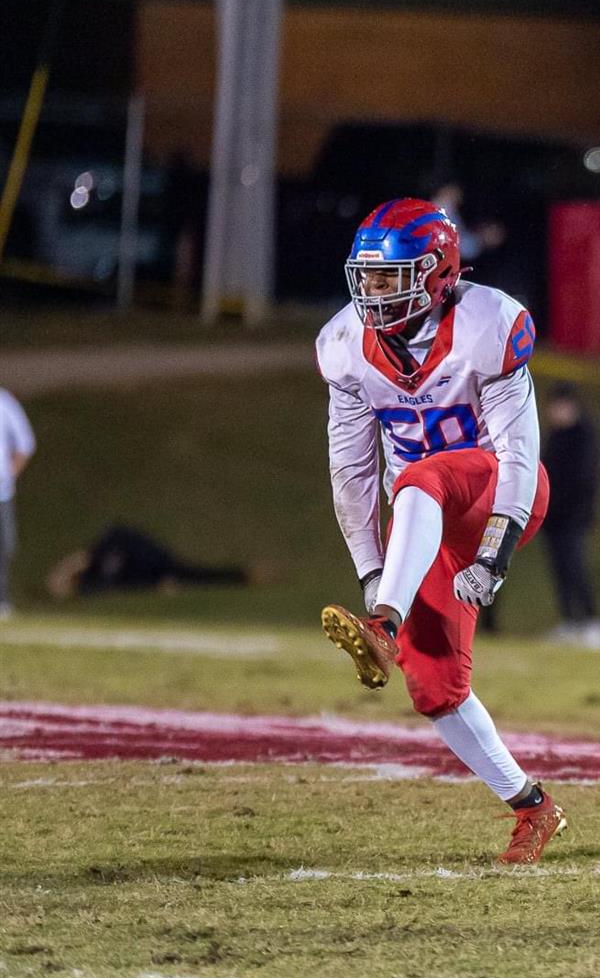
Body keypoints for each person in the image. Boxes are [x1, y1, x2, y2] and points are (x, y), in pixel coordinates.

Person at [315, 197, 566, 866]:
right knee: (433, 686)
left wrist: (495, 553)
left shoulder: (491, 322)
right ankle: (533, 806)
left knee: (420, 476)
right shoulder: (345, 347)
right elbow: (352, 472)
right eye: (366, 277)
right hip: (424, 519)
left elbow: (519, 452)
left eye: (388, 278)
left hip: (500, 494)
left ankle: (383, 621)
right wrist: (373, 567)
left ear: (436, 273)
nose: (371, 293)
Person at [46, 523, 276, 599]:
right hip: (156, 569)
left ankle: (245, 575)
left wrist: (61, 574)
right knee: (195, 576)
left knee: (196, 574)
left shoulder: (102, 554)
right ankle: (245, 575)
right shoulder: (95, 578)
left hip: (157, 563)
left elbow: (81, 559)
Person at [541, 381, 600, 648]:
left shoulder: (584, 435)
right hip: (553, 518)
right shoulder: (556, 436)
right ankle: (569, 621)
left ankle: (589, 621)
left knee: (576, 568)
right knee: (560, 569)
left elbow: (583, 480)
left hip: (574, 517)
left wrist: (574, 509)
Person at [0, 387, 36, 618]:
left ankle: (1, 600)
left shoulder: (4, 403)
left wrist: (8, 474)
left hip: (1, 493)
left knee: (4, 547)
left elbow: (25, 443)